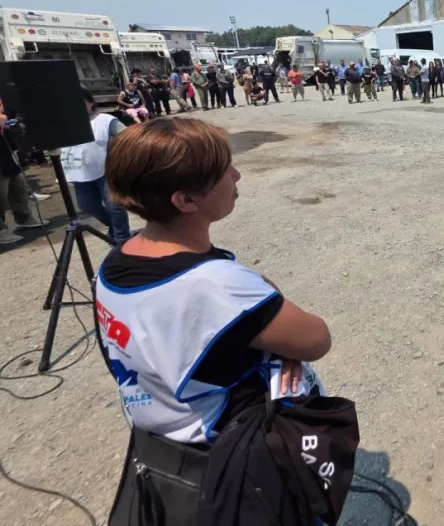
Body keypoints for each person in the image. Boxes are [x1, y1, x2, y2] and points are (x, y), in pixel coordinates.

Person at [96, 118, 334, 513]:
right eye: (225, 170)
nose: (237, 175)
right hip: (232, 461)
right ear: (185, 200)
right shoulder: (215, 286)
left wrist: (265, 327)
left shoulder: (115, 265)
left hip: (160, 451)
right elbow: (315, 339)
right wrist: (281, 343)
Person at [62, 89, 131, 242]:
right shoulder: (66, 124)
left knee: (114, 205)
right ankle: (114, 227)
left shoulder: (105, 120)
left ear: (91, 102)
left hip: (105, 170)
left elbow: (128, 136)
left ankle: (121, 238)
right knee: (87, 206)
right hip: (80, 172)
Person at [0, 100, 49, 246]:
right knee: (0, 193)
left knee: (17, 184)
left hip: (4, 149)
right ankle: (1, 231)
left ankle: (24, 218)